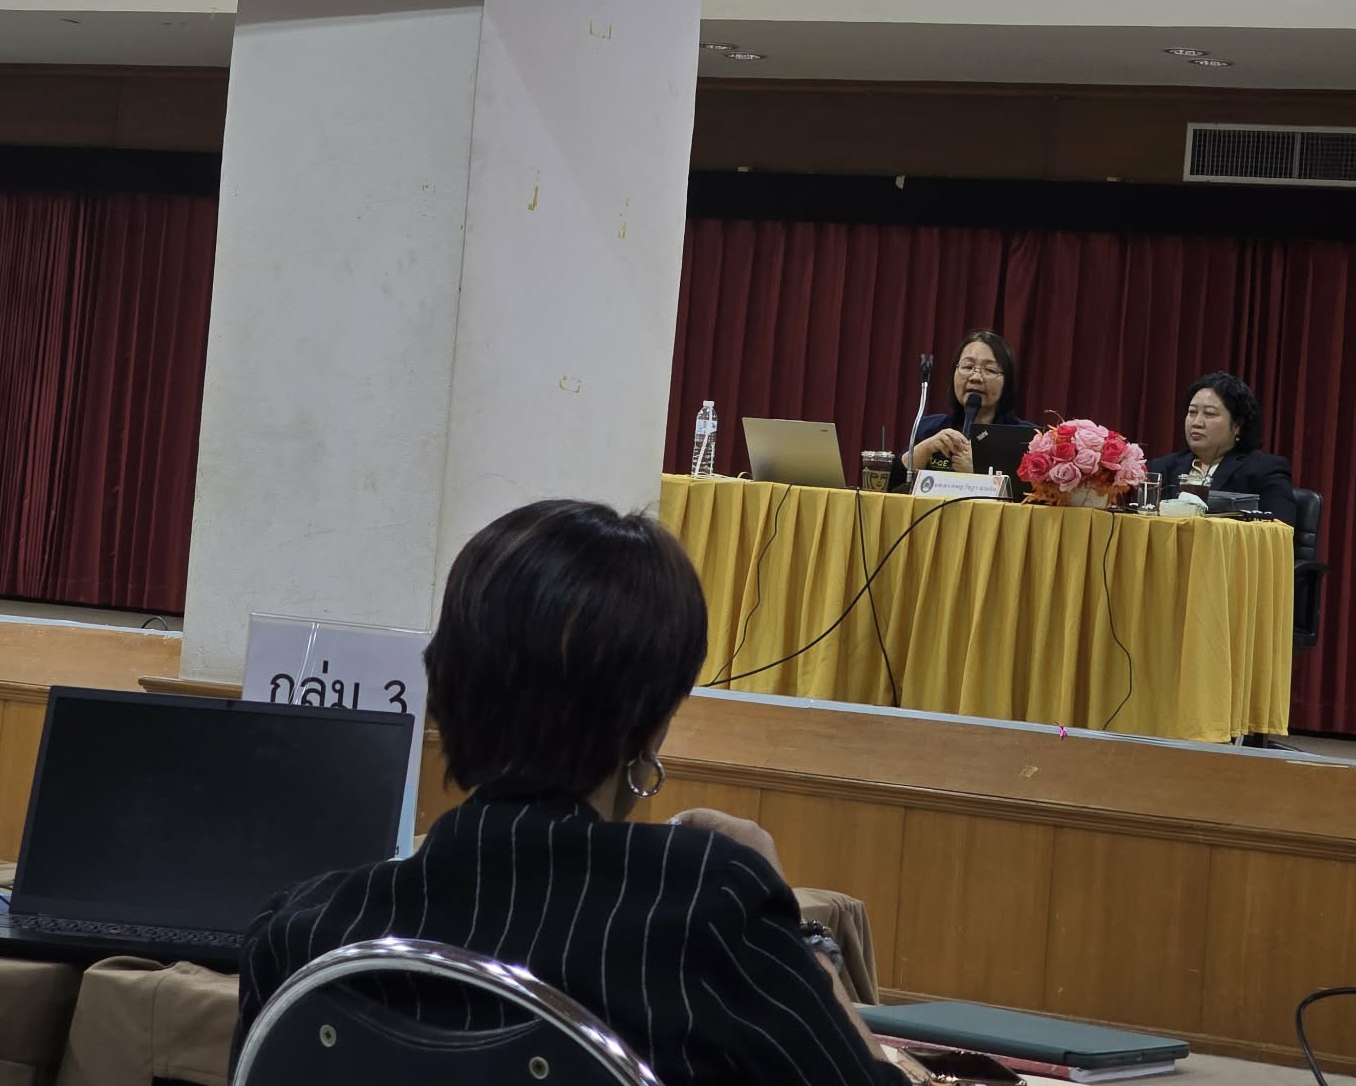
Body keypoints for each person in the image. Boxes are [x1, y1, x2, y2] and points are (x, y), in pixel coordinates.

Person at [233, 499, 906, 1086]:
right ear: (652, 724)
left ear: (440, 692)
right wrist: (803, 938)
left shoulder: (300, 933)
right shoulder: (709, 906)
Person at [891, 330, 1033, 484]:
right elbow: (891, 486)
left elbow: (1032, 494)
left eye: (990, 370)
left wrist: (980, 471)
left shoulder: (1026, 439)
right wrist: (924, 449)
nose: (976, 377)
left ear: (1007, 382)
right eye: (967, 367)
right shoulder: (929, 428)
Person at [1155, 372, 1296, 525]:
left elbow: (1279, 530)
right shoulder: (1162, 468)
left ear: (1237, 425)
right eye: (1192, 412)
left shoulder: (1265, 470)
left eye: (1209, 414)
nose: (1196, 422)